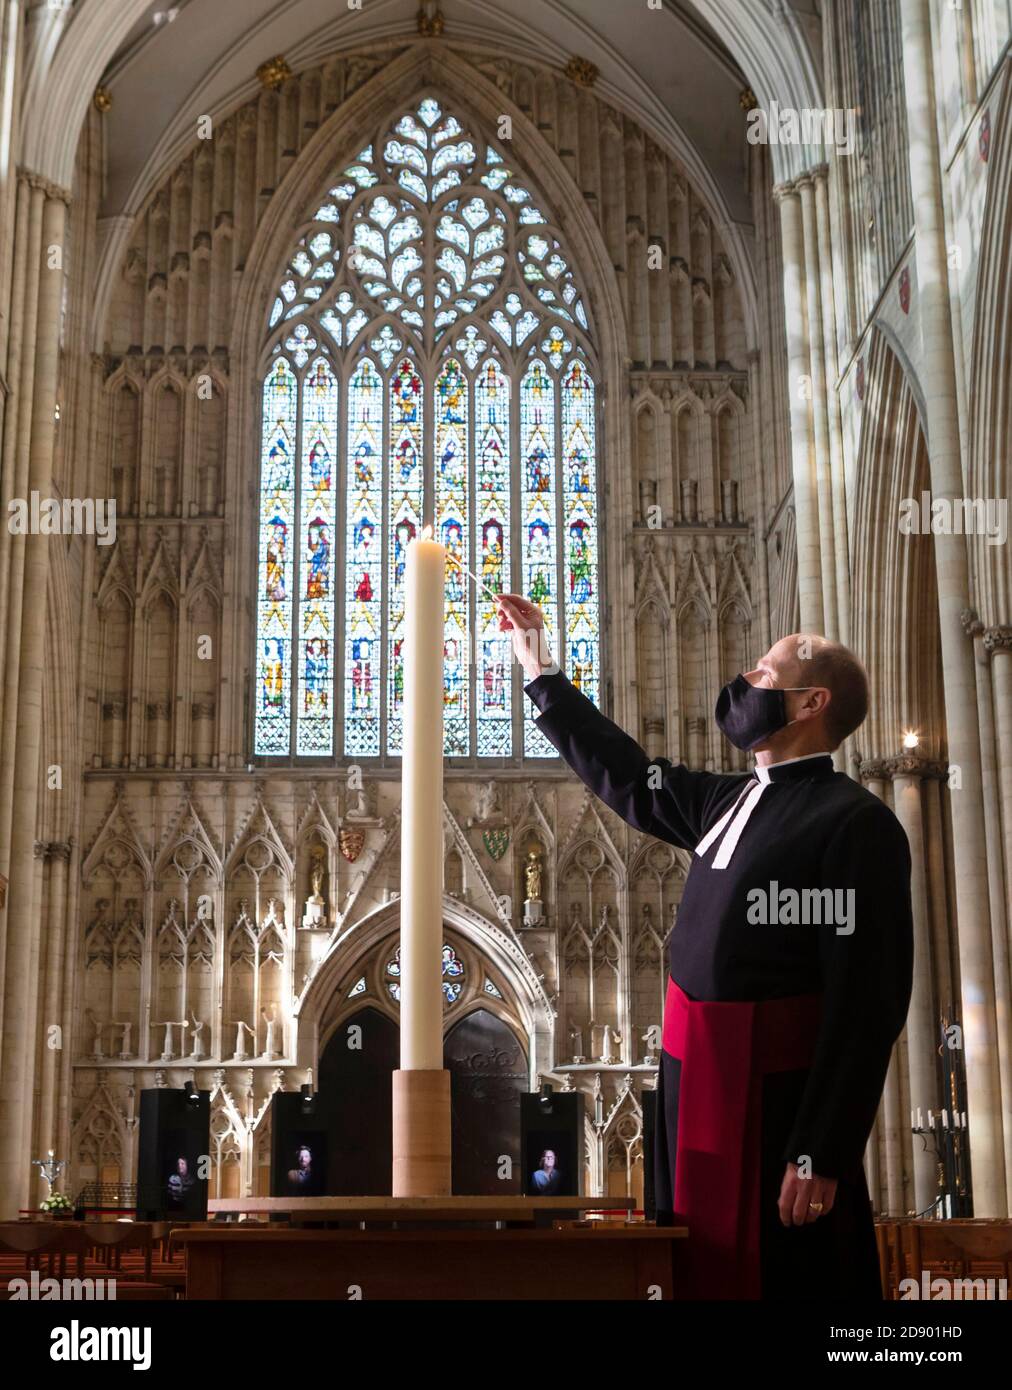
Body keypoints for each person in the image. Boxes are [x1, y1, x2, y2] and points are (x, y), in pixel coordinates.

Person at [496, 593, 913, 1301]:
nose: (742, 685)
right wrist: (542, 675)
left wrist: (823, 1148)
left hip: (775, 1108)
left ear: (810, 702)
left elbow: (867, 1006)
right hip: (693, 1092)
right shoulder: (728, 801)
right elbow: (628, 777)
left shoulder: (855, 823)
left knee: (783, 1279)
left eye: (759, 674)